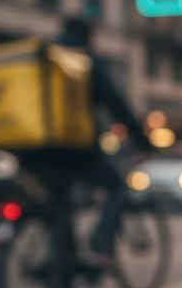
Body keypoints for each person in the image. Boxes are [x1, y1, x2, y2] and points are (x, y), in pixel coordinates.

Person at [17, 17, 152, 262]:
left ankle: (59, 265)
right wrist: (142, 140)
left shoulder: (40, 58)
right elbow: (116, 104)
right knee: (117, 187)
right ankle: (99, 242)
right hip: (72, 150)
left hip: (30, 151)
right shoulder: (83, 61)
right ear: (90, 36)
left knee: (58, 201)